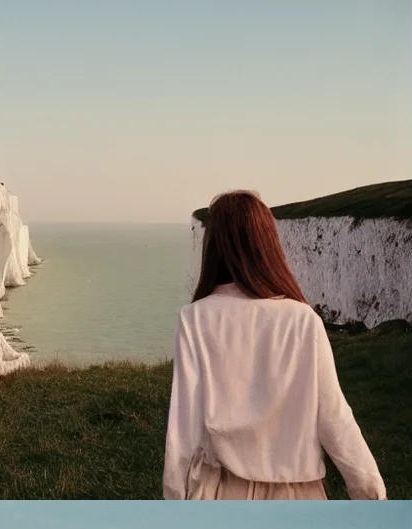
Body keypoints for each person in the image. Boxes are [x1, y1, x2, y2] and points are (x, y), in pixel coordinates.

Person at [163, 190, 386, 500]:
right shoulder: (302, 319)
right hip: (297, 494)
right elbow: (334, 417)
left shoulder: (195, 318)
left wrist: (173, 495)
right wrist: (371, 495)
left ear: (213, 245)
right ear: (266, 244)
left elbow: (183, 425)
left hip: (218, 491)